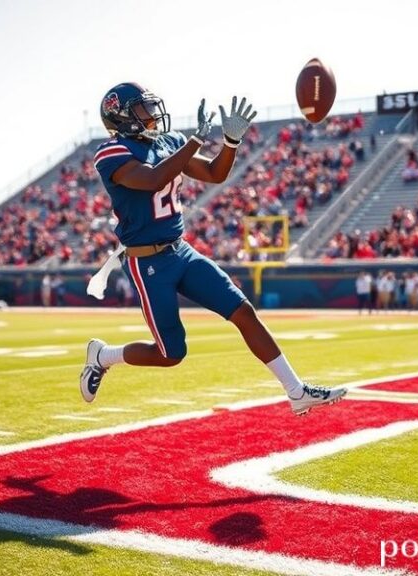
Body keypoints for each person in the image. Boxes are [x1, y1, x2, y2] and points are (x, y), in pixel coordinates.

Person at [80, 82, 346, 415]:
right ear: (121, 117)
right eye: (142, 110)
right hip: (147, 263)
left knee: (243, 311)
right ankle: (104, 356)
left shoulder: (170, 141)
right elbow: (151, 179)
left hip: (181, 251)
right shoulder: (112, 152)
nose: (151, 115)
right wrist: (193, 142)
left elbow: (214, 173)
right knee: (171, 354)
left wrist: (230, 143)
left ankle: (296, 391)